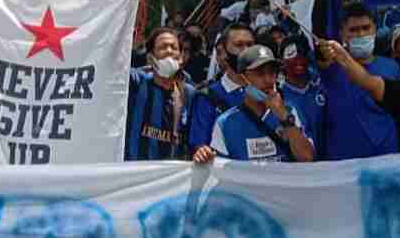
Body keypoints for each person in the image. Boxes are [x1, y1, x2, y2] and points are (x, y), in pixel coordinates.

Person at [194, 45, 314, 164]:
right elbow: (220, 171)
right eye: (260, 73)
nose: (268, 80)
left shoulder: (290, 111)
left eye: (272, 73)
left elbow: (307, 158)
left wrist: (284, 116)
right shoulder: (225, 123)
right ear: (243, 79)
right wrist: (205, 157)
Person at [314, 2, 400, 159]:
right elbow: (318, 32)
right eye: (353, 30)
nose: (361, 34)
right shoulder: (331, 66)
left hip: (386, 162)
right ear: (342, 34)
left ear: (375, 29)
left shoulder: (392, 67)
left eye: (366, 28)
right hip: (343, 166)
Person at [124, 28, 196, 161]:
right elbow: (116, 67)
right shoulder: (136, 82)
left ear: (181, 57)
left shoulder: (188, 93)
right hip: (135, 171)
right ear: (151, 58)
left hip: (170, 176)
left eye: (173, 47)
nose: (169, 51)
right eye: (163, 47)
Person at [188, 23, 254, 155]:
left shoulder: (269, 92)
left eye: (250, 45)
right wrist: (202, 152)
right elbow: (200, 146)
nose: (246, 50)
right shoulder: (207, 96)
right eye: (239, 45)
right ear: (222, 52)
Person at [278, 34, 325, 152]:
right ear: (282, 61)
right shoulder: (278, 96)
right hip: (302, 166)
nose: (298, 61)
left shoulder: (323, 84)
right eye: (291, 56)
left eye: (302, 54)